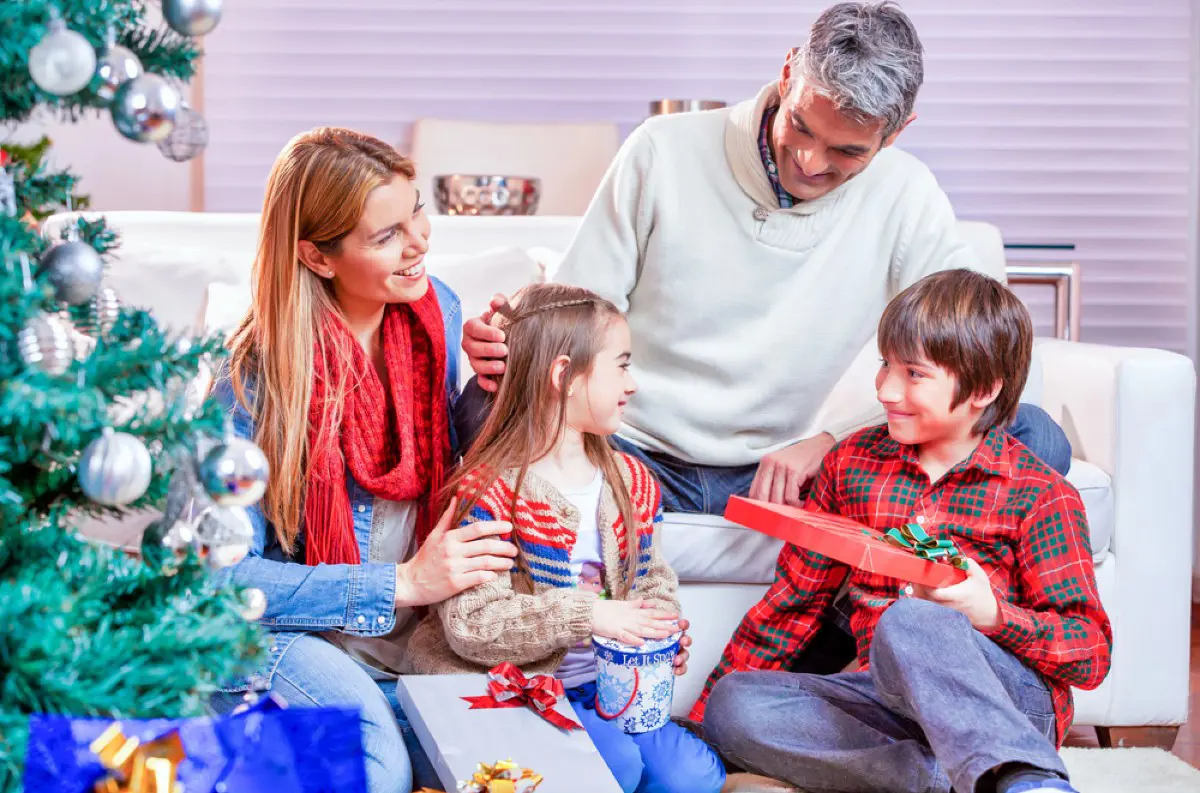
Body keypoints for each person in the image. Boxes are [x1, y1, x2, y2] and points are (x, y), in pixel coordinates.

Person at [459, 0, 1073, 677]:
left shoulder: (907, 195)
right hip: (630, 448)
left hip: (784, 472)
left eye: (847, 151)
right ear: (787, 72)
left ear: (896, 135)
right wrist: (516, 338)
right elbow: (578, 308)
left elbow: (978, 361)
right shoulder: (663, 151)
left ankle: (919, 651)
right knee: (482, 403)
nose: (810, 161)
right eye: (800, 126)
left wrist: (829, 440)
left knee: (1033, 435)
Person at [696, 269, 1112, 793]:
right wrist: (702, 719)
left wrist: (991, 615)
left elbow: (1090, 653)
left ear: (983, 388)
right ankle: (953, 782)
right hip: (886, 700)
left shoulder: (1040, 493)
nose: (887, 389)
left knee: (911, 619)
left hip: (1006, 706)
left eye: (913, 374)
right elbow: (793, 603)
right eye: (885, 366)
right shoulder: (852, 463)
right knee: (736, 705)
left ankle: (1025, 778)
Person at [209, 127, 519, 793]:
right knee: (379, 768)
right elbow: (216, 582)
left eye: (416, 213)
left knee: (508, 767)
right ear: (317, 258)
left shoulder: (437, 312)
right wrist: (402, 582)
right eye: (386, 236)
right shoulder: (247, 383)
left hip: (410, 632)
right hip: (287, 635)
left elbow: (441, 455)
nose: (419, 243)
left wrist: (492, 388)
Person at [406, 284, 725, 793]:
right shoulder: (486, 491)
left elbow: (653, 578)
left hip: (602, 686)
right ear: (564, 376)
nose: (633, 383)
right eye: (620, 365)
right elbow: (473, 624)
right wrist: (589, 614)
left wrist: (656, 634)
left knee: (694, 777)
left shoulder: (631, 481)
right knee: (614, 768)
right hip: (513, 688)